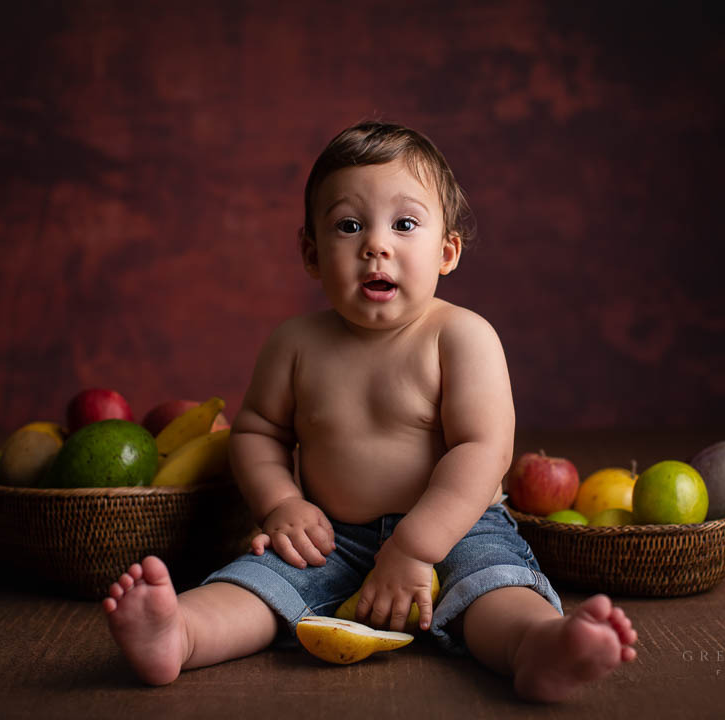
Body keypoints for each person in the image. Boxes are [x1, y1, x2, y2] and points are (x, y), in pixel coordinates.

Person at [102, 121, 637, 702]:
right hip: (331, 534)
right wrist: (282, 503)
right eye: (349, 225)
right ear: (310, 253)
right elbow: (257, 432)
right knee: (262, 584)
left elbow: (484, 450)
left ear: (447, 251)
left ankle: (538, 647)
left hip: (456, 530)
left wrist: (414, 547)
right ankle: (179, 633)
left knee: (493, 589)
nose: (375, 245)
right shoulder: (295, 344)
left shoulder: (461, 337)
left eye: (404, 224)